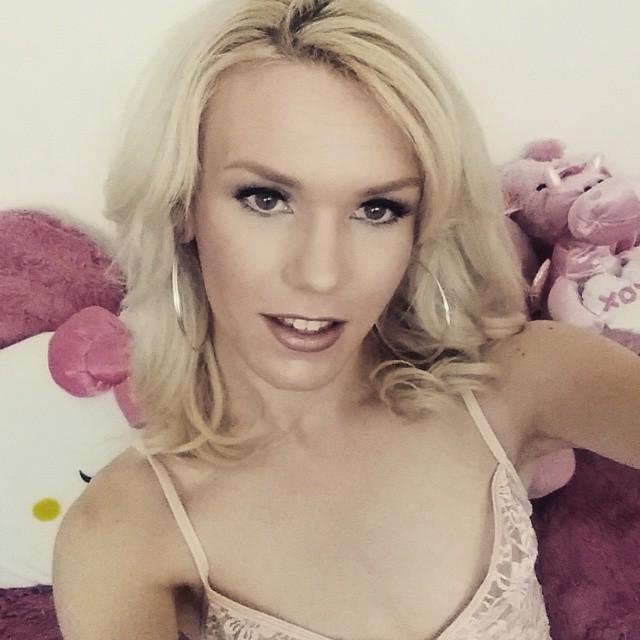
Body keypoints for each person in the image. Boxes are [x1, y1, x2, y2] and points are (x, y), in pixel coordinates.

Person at [51, 1, 640, 639]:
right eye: (266, 198)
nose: (321, 274)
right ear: (183, 206)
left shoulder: (527, 380)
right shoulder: (124, 531)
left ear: (422, 226)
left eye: (378, 209)